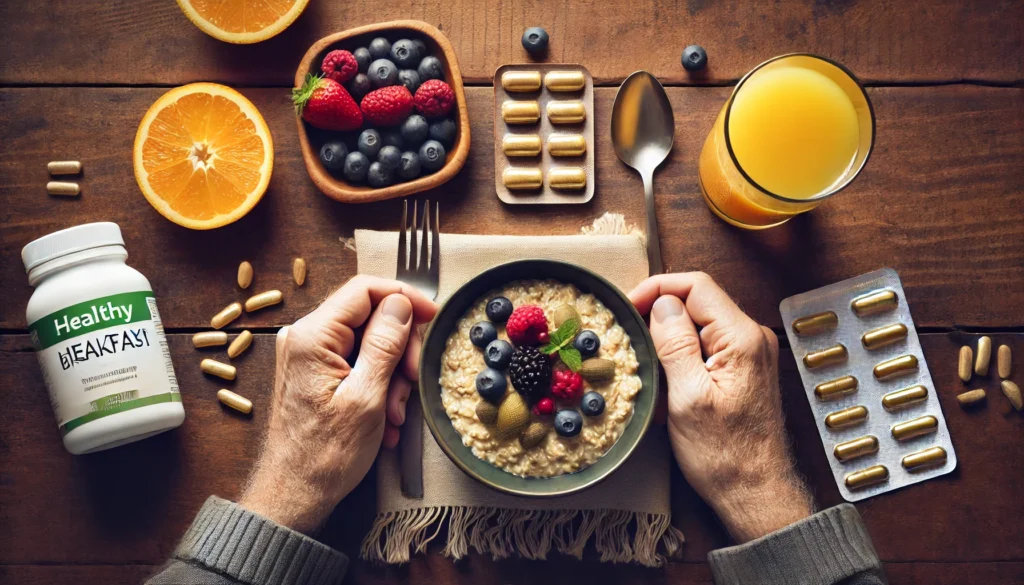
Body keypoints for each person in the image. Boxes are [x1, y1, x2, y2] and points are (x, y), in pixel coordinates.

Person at [146, 273, 887, 585]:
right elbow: (521, 369)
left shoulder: (564, 364)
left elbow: (557, 373)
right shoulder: (515, 368)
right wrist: (759, 487)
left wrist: (288, 493)